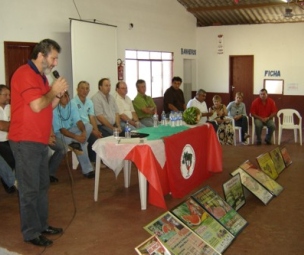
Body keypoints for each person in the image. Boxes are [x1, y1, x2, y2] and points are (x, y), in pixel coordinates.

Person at [8, 39, 68, 247]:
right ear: (41, 55)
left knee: (42, 186)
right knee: (30, 189)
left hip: (40, 140)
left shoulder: (41, 77)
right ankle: (31, 232)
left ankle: (42, 225)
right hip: (25, 141)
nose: (55, 63)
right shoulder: (24, 74)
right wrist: (53, 90)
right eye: (53, 58)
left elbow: (45, 106)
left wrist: (56, 95)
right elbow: (35, 106)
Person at [53, 92, 95, 178]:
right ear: (59, 98)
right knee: (79, 144)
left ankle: (78, 143)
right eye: (64, 96)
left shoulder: (72, 104)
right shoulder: (54, 109)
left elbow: (78, 121)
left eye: (67, 96)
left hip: (72, 130)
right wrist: (77, 137)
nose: (67, 98)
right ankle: (88, 170)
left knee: (89, 126)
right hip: (60, 134)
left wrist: (83, 132)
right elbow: (62, 130)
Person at [71, 81, 102, 163]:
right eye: (82, 88)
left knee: (97, 137)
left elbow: (92, 117)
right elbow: (77, 121)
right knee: (92, 138)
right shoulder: (73, 102)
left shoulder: (89, 102)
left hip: (88, 128)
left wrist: (96, 131)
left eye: (87, 89)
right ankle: (91, 161)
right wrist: (93, 131)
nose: (85, 91)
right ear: (77, 89)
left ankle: (94, 161)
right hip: (77, 128)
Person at [0, 85, 15, 170]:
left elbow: (20, 124)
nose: (8, 97)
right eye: (5, 95)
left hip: (12, 139)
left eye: (9, 95)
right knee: (11, 157)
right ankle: (10, 182)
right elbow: (1, 126)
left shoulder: (11, 108)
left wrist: (7, 125)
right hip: (1, 141)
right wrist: (13, 125)